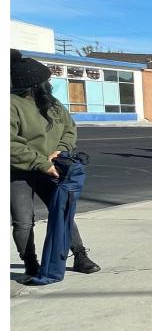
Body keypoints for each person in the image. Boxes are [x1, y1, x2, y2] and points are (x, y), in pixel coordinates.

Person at [10, 49, 100, 280]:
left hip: (52, 167)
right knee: (23, 221)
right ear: (34, 84)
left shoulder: (53, 103)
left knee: (62, 212)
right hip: (19, 172)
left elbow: (69, 129)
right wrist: (41, 162)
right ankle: (31, 263)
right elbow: (10, 143)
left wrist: (61, 149)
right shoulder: (11, 105)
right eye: (46, 80)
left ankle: (79, 255)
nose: (49, 83)